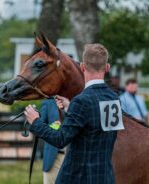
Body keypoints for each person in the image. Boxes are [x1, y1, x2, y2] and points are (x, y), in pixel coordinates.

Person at [24, 44, 124, 184]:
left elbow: (60, 139)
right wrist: (71, 109)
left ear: (82, 66)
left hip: (79, 178)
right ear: (107, 67)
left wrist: (35, 121)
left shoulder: (82, 101)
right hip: (104, 177)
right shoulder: (114, 98)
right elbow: (97, 129)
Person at [39, 99, 65, 184]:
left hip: (74, 156)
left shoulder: (78, 99)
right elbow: (39, 127)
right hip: (54, 157)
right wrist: (54, 127)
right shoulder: (48, 102)